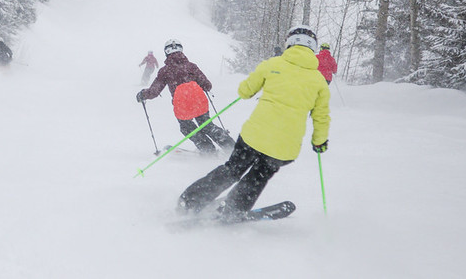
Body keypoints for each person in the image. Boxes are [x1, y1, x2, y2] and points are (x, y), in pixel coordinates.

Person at [177, 25, 330, 223]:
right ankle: (234, 209)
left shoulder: (273, 64)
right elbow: (322, 117)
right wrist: (319, 142)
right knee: (259, 175)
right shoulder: (318, 80)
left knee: (232, 169)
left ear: (289, 43)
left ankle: (190, 200)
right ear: (313, 48)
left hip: (254, 137)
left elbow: (245, 91)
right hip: (285, 147)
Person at [136, 39, 235, 154]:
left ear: (166, 52)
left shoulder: (165, 71)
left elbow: (154, 91)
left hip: (182, 105)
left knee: (187, 128)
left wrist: (143, 94)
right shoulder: (191, 67)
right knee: (207, 125)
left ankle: (208, 149)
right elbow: (207, 85)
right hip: (199, 102)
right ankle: (230, 146)